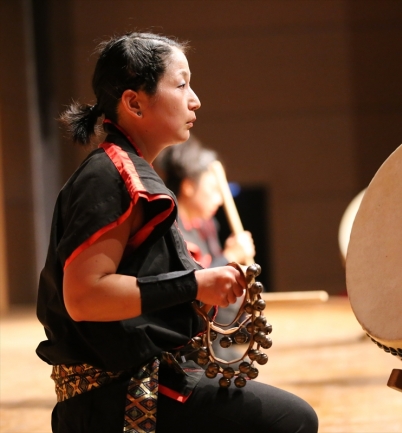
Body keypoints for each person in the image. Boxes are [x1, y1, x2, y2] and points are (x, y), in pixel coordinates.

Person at [35, 32, 318, 433]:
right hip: (117, 395)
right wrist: (194, 284)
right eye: (181, 84)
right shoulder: (109, 175)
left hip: (139, 381)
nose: (195, 99)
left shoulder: (127, 171)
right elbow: (85, 297)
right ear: (134, 102)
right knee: (292, 421)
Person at [156, 137, 255, 359]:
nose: (220, 200)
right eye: (213, 189)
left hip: (217, 337)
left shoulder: (207, 225)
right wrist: (230, 256)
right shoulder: (169, 228)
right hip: (187, 347)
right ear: (189, 186)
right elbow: (189, 289)